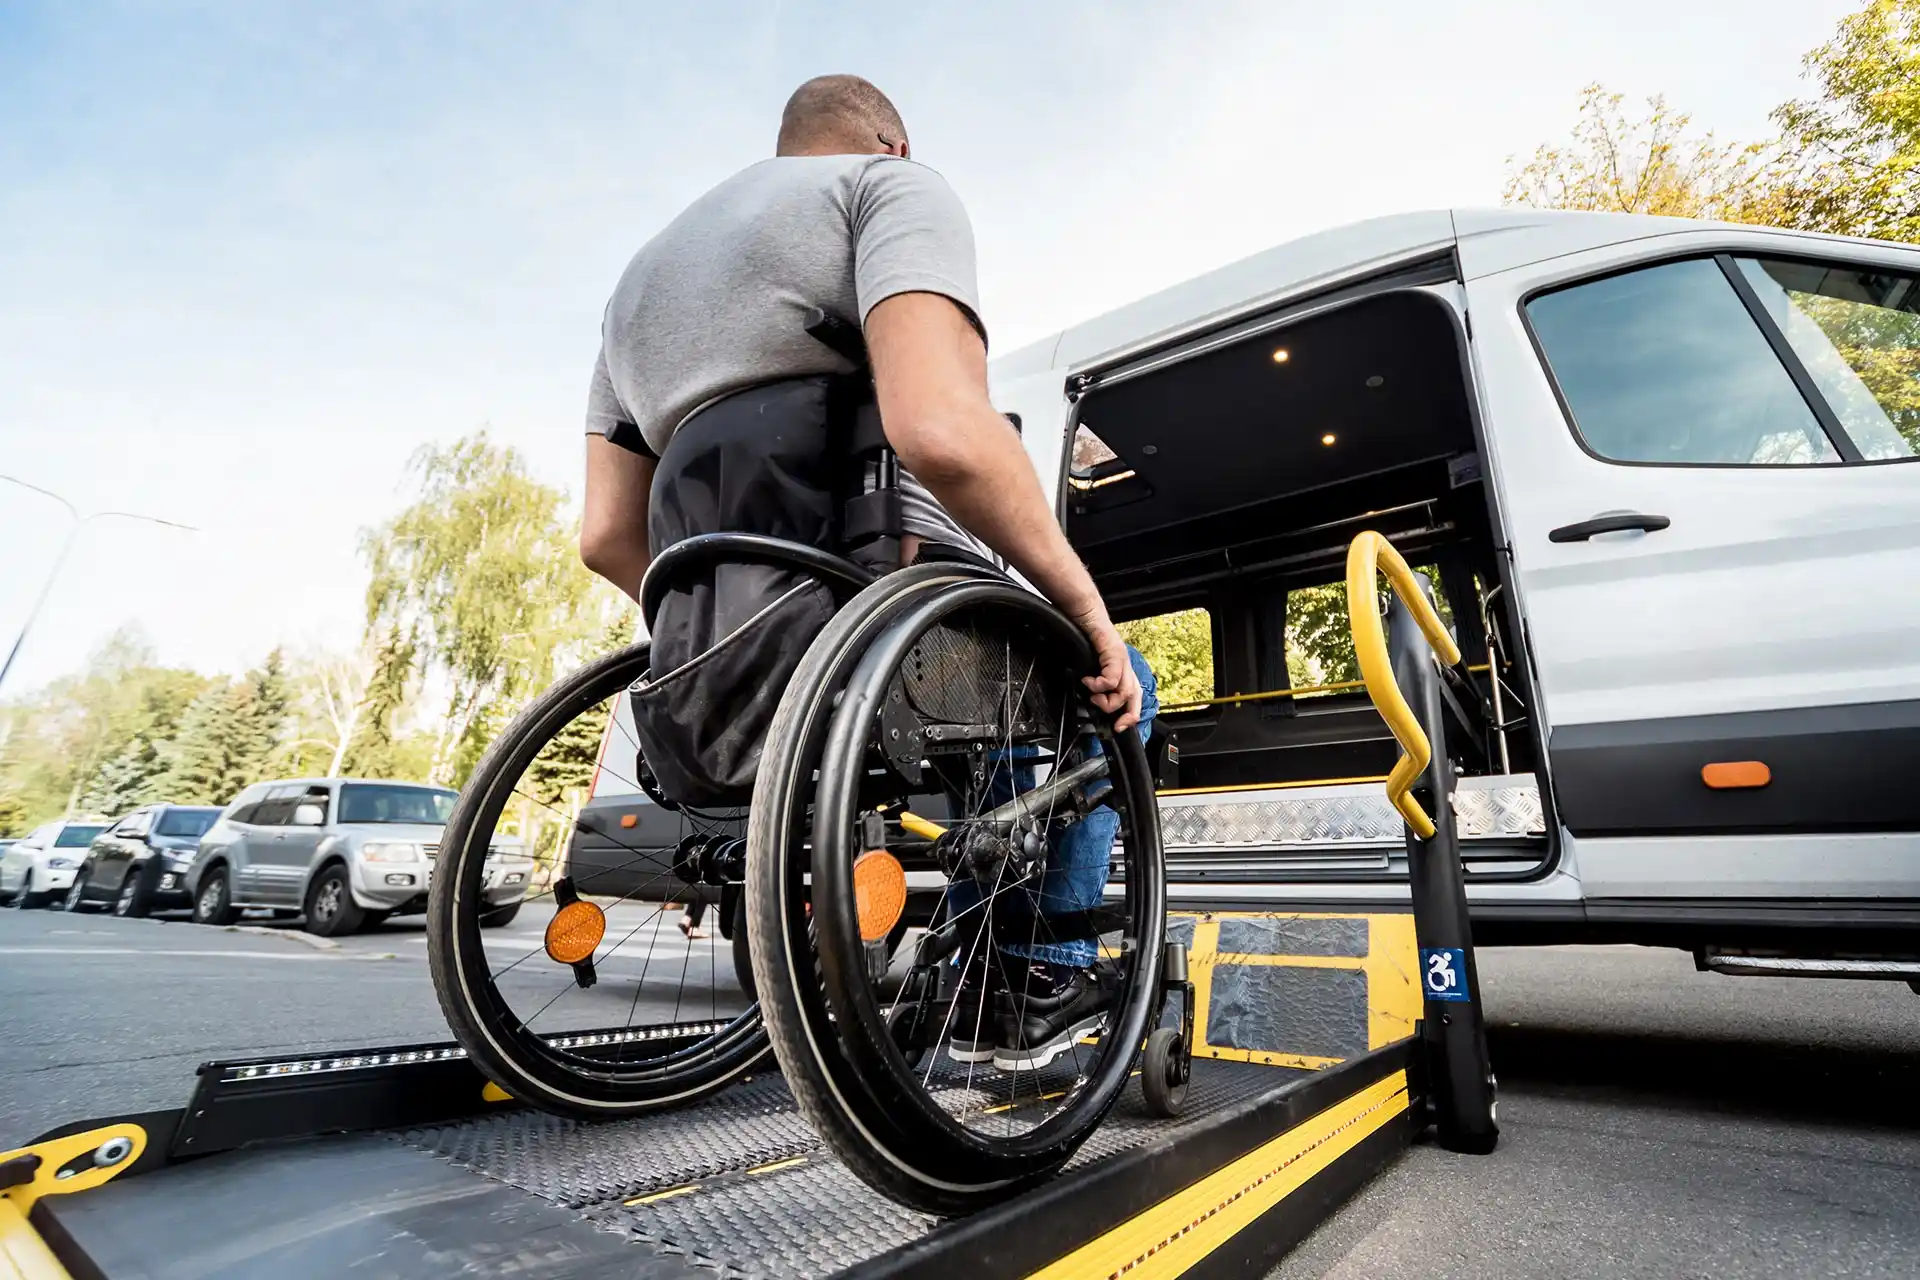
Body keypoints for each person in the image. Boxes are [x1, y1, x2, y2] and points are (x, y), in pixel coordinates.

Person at [577, 75, 1148, 1070]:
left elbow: (607, 534)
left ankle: (985, 953)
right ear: (893, 143)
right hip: (887, 609)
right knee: (1118, 694)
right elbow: (941, 428)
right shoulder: (888, 192)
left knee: (998, 723)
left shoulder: (637, 286)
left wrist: (735, 623)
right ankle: (1029, 969)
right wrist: (1082, 602)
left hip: (735, 645)